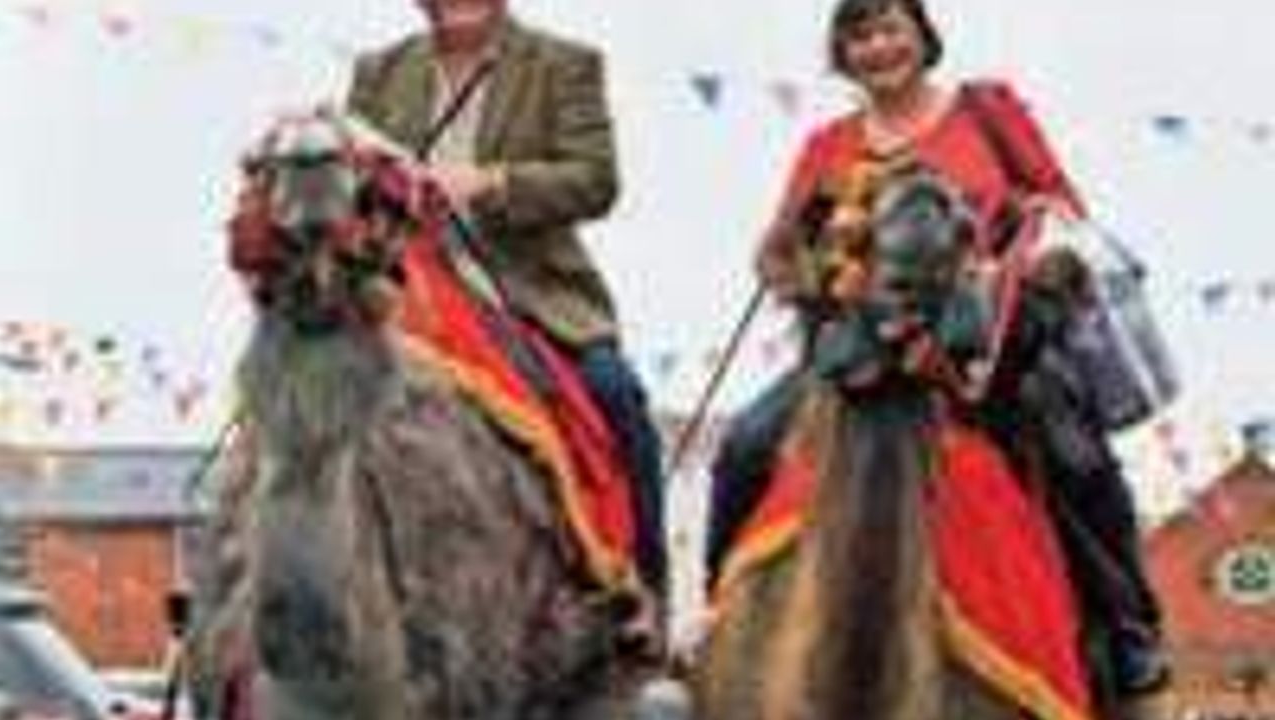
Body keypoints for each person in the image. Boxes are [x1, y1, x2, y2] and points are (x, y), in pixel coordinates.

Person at [707, 0, 1167, 696]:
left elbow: (1061, 212)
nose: (877, 47)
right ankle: (716, 619)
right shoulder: (827, 145)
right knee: (745, 444)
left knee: (1077, 457)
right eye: (858, 35)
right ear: (842, 54)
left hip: (988, 353)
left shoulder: (989, 114)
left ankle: (1129, 630)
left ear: (922, 36)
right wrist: (809, 270)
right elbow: (778, 252)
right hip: (859, 356)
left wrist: (1025, 269)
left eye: (890, 28)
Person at [344, 0, 666, 639]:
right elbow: (351, 187)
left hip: (529, 299)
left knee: (617, 397)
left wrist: (491, 182)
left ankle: (645, 594)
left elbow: (595, 180)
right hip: (406, 298)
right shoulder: (378, 72)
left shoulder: (564, 64)